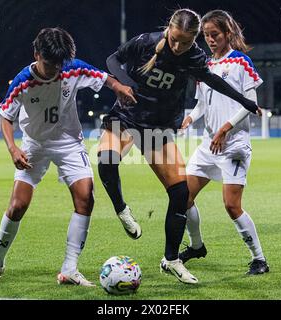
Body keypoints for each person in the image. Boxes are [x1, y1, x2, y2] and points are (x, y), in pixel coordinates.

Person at [99, 8, 262, 284]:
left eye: (185, 42)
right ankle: (122, 210)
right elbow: (113, 59)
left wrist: (245, 101)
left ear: (193, 39)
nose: (177, 46)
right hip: (127, 116)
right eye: (174, 39)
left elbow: (212, 80)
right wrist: (123, 84)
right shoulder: (146, 42)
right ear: (168, 30)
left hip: (158, 127)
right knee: (106, 161)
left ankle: (173, 259)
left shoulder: (196, 57)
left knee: (180, 193)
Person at [0, 27, 136, 289]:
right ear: (36, 54)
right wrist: (13, 149)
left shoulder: (72, 67)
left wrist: (119, 86)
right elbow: (6, 117)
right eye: (49, 63)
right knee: (18, 205)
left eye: (59, 64)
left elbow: (104, 77)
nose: (55, 69)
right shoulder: (23, 81)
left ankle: (69, 269)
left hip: (68, 142)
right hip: (35, 144)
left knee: (86, 197)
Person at [180, 10, 269, 275]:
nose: (210, 39)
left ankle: (259, 259)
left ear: (228, 33)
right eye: (206, 35)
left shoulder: (241, 62)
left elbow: (250, 104)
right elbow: (202, 105)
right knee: (182, 198)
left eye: (214, 34)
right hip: (209, 144)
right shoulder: (205, 66)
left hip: (234, 144)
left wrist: (225, 129)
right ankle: (197, 247)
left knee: (231, 205)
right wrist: (190, 118)